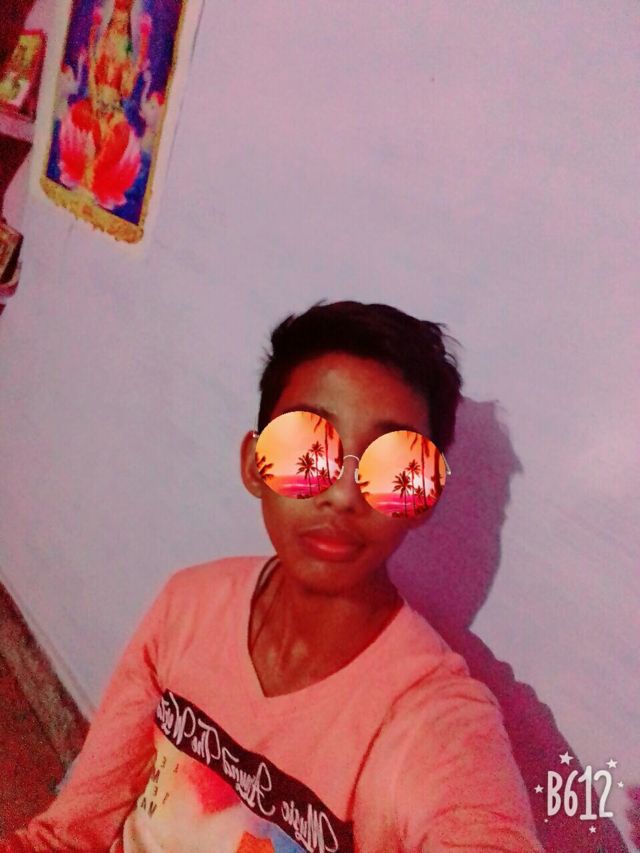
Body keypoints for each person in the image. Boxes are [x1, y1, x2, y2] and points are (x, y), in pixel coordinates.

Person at [0, 301, 544, 852]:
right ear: (253, 464)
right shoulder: (188, 604)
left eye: (395, 466)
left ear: (426, 497)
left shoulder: (432, 721)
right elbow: (68, 834)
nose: (342, 494)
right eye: (305, 448)